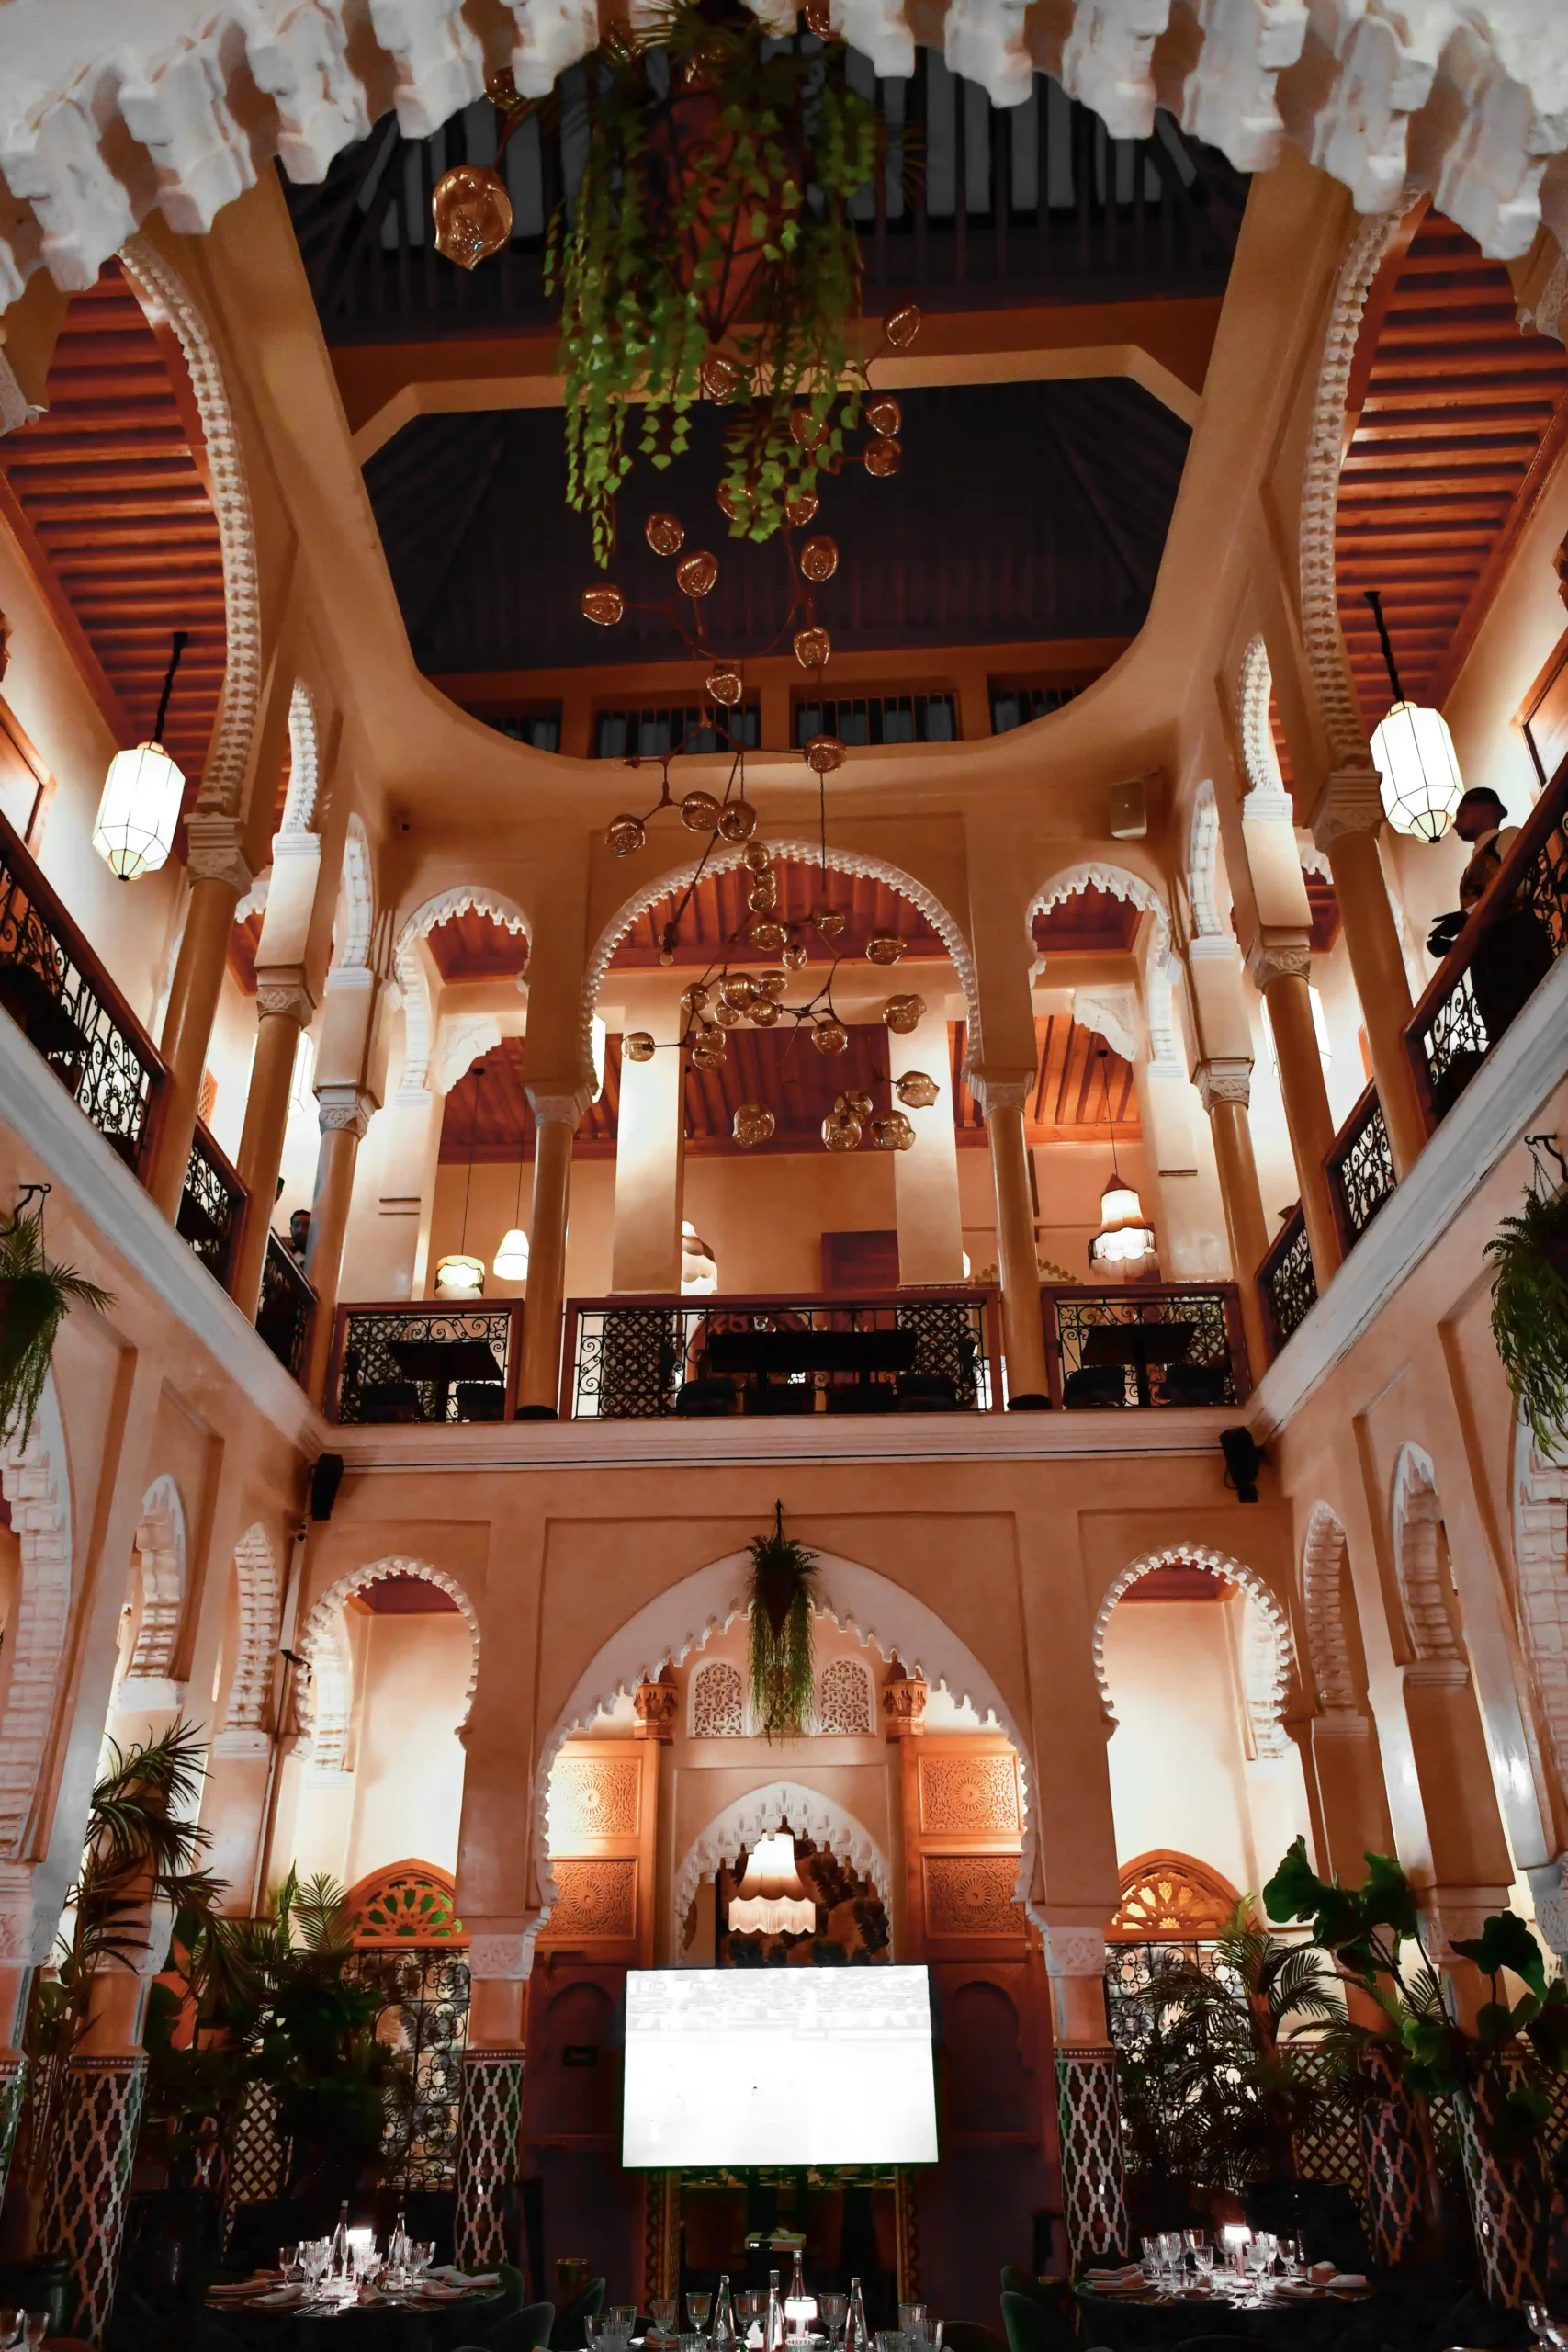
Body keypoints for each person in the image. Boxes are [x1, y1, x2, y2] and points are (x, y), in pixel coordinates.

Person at [1425, 786, 1554, 1044]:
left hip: (1517, 943)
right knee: (1506, 1032)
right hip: (1488, 961)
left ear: (1486, 809)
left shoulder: (1508, 838)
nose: (1455, 824)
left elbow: (1520, 884)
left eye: (1462, 814)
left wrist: (1465, 918)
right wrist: (1454, 946)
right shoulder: (1469, 867)